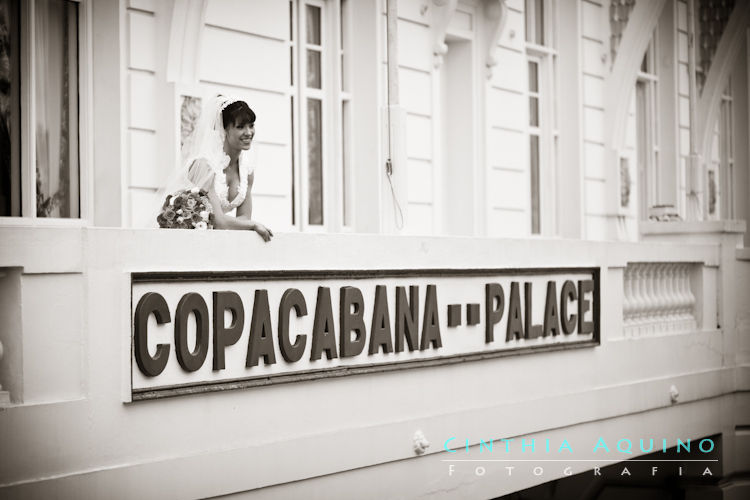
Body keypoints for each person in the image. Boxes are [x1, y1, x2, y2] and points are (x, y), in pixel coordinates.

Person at [165, 94, 273, 241]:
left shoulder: (247, 171)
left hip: (214, 240)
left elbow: (245, 217)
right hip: (186, 238)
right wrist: (252, 225)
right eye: (240, 127)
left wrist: (244, 223)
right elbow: (219, 221)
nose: (248, 133)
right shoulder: (205, 166)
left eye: (251, 125)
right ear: (224, 130)